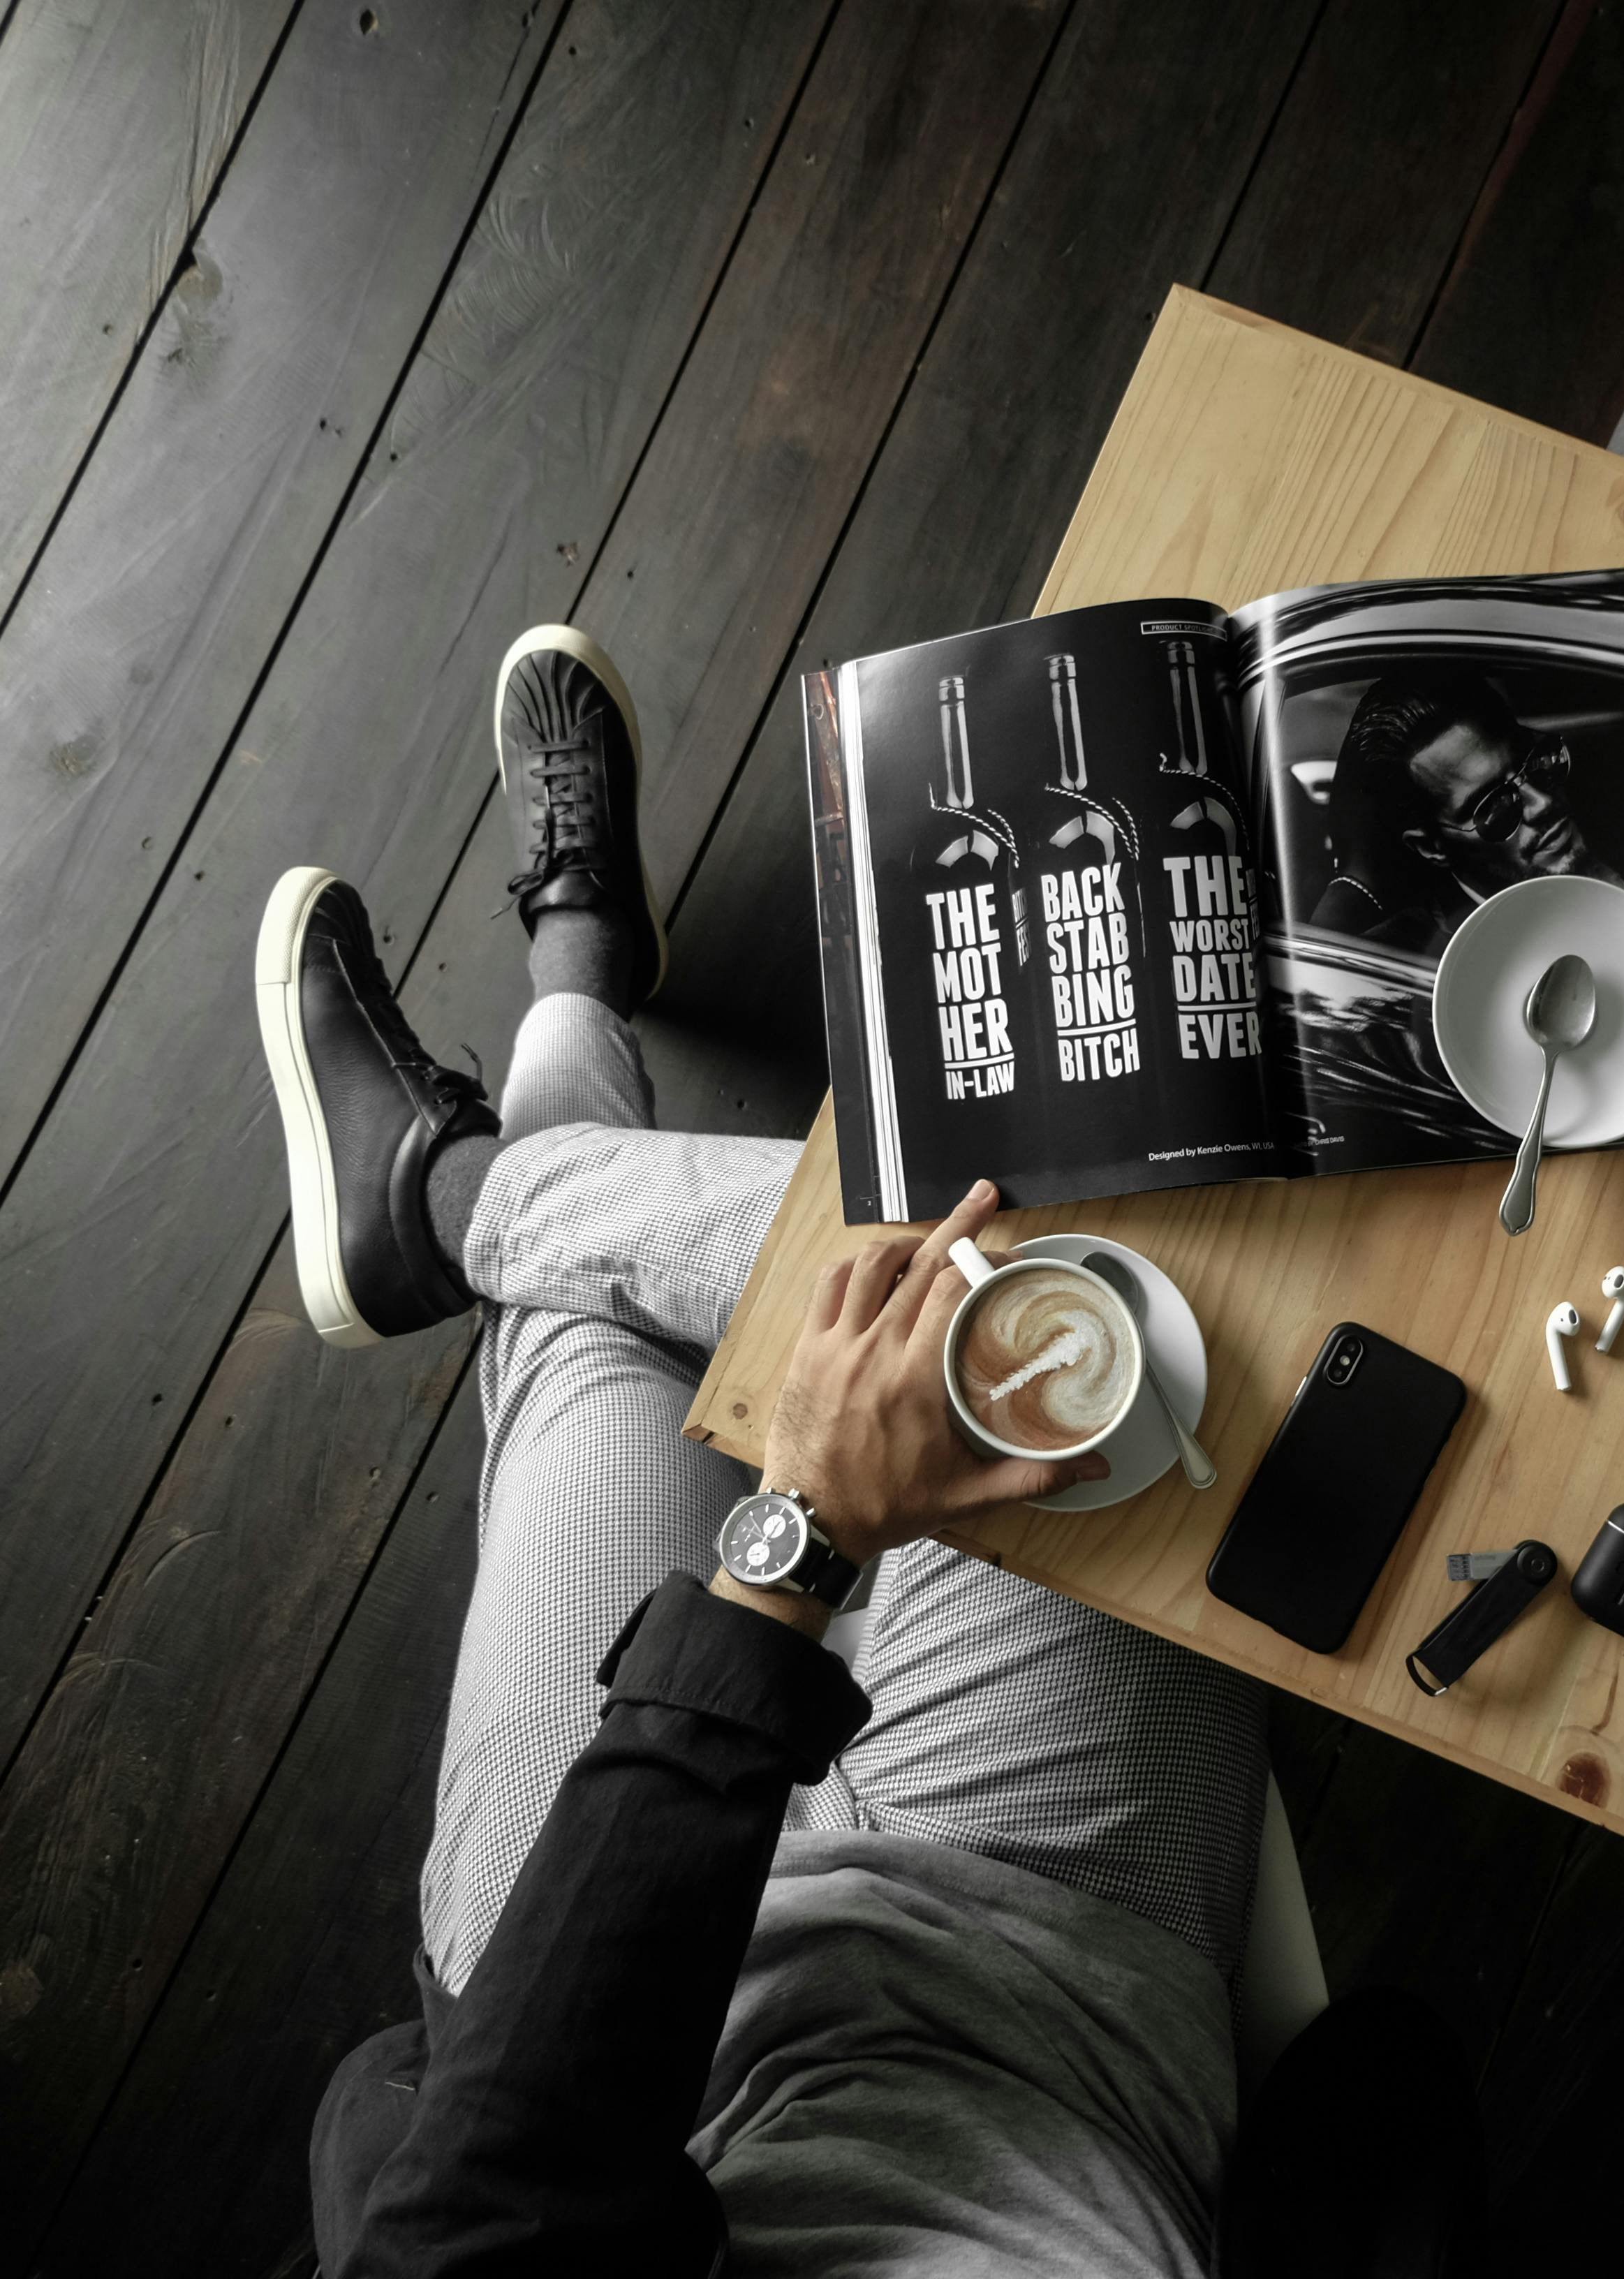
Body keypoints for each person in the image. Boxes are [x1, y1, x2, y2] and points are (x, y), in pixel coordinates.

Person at [264, 624, 1282, 2276]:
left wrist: (808, 1535)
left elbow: (471, 2184)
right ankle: (469, 1169)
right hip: (1033, 1994)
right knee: (1118, 1320)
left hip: (590, 2011)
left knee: (584, 1333)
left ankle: (546, 1030)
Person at [1306, 668, 1621, 956]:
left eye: (1536, 763)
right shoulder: (1412, 964)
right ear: (1432, 847)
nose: (1543, 804)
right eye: (1494, 806)